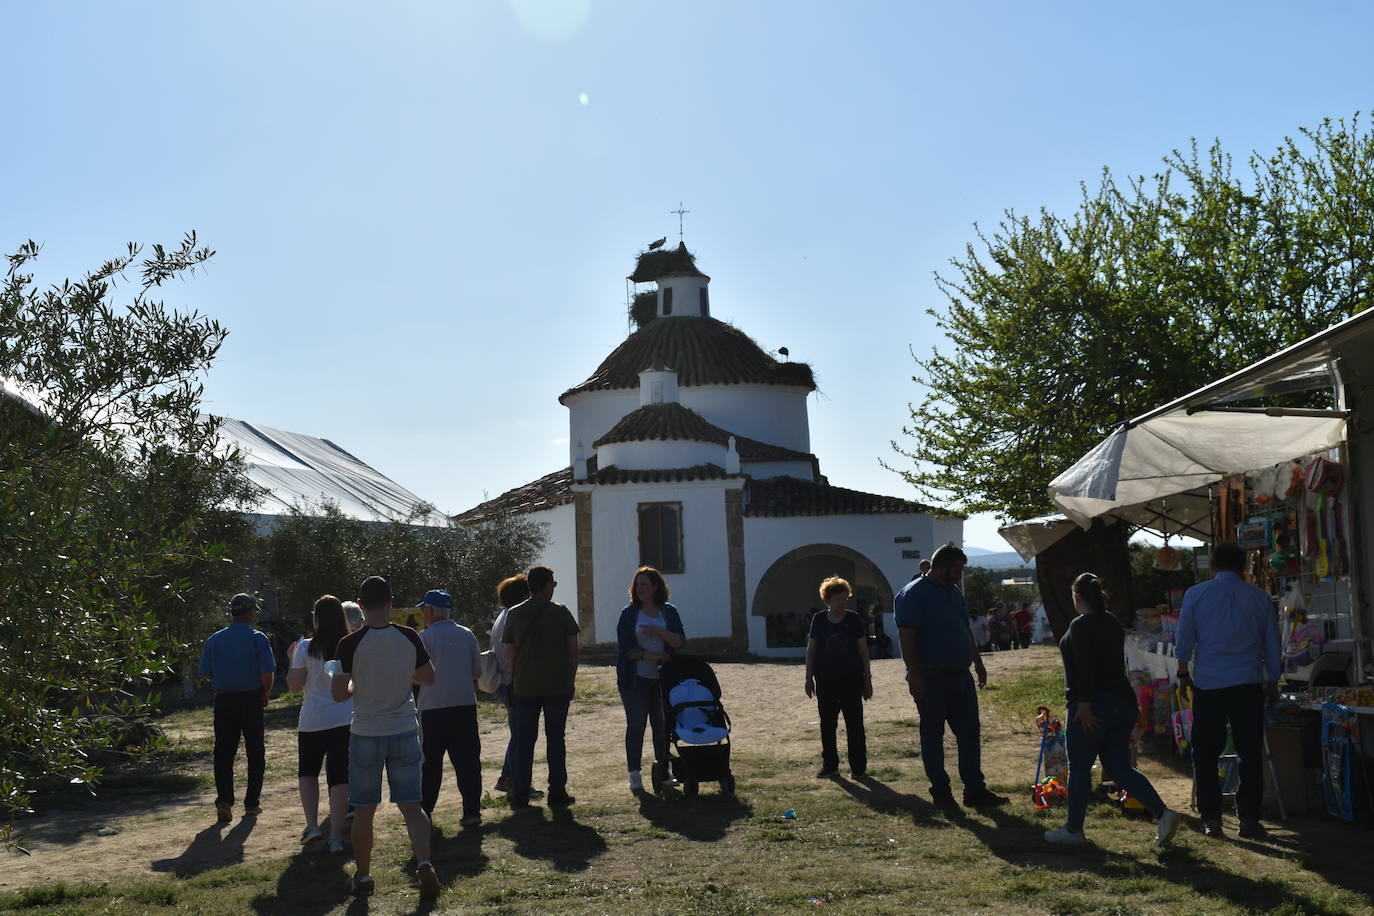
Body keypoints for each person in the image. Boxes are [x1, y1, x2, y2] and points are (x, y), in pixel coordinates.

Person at [1045, 574, 1180, 847]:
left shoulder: (1081, 625)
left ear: (1078, 598)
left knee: (1080, 766)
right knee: (1119, 767)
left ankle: (1073, 830)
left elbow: (1084, 667)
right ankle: (1162, 813)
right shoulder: (1113, 622)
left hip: (1094, 704)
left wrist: (1083, 705)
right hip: (1123, 703)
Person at [331, 576, 440, 899]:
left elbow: (338, 693)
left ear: (361, 606)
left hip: (366, 732)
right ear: (390, 604)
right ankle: (424, 862)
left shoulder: (347, 644)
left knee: (364, 810)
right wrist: (402, 673)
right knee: (412, 806)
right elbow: (428, 678)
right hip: (404, 728)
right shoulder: (409, 636)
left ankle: (363, 876)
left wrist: (356, 684)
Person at [1176, 542, 1281, 840]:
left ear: (1213, 565)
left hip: (1209, 684)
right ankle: (1249, 818)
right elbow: (1271, 643)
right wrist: (1273, 679)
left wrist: (1183, 673)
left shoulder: (1196, 594)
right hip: (1248, 683)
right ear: (1244, 566)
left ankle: (1211, 817)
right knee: (1249, 752)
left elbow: (1184, 639)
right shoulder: (1259, 597)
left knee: (1206, 752)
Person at [894, 545, 1008, 813]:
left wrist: (978, 662)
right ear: (942, 567)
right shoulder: (912, 595)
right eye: (956, 570)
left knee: (970, 733)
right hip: (931, 676)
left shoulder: (954, 593)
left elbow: (964, 628)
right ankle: (941, 792)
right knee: (933, 735)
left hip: (960, 676)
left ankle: (975, 790)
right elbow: (906, 637)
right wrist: (914, 674)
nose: (959, 576)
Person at [502, 565, 580, 809]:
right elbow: (574, 651)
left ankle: (521, 792)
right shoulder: (561, 612)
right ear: (546, 585)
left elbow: (510, 654)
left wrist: (518, 678)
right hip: (557, 685)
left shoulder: (513, 614)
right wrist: (570, 679)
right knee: (556, 739)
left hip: (525, 687)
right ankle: (557, 790)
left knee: (524, 741)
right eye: (553, 584)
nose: (554, 588)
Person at [198, 593, 277, 823]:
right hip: (251, 700)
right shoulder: (257, 638)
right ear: (251, 612)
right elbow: (266, 673)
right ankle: (252, 803)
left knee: (223, 752)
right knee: (255, 751)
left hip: (224, 701)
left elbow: (204, 672)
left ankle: (224, 801)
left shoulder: (215, 639)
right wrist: (265, 692)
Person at [286, 595, 354, 852]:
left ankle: (312, 826)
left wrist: (291, 659)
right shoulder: (348, 646)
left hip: (312, 720)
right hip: (344, 719)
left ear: (316, 618)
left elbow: (293, 686)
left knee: (308, 773)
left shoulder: (304, 648)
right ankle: (336, 837)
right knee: (339, 779)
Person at [416, 588, 483, 828]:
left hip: (433, 707)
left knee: (430, 762)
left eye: (424, 609)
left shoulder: (424, 637)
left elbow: (416, 675)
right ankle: (472, 811)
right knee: (467, 761)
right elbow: (477, 671)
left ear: (432, 611)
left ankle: (425, 811)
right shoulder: (467, 634)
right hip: (464, 704)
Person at [616, 566, 686, 792]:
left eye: (644, 584)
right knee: (636, 725)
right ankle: (634, 774)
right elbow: (626, 648)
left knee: (662, 726)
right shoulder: (628, 614)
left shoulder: (669, 611)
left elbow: (680, 642)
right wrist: (653, 655)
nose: (640, 589)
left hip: (664, 679)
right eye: (637, 585)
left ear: (656, 586)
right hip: (635, 679)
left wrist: (659, 633)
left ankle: (663, 770)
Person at [804, 576, 871, 778]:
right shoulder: (819, 620)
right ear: (828, 600)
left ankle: (858, 768)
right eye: (838, 599)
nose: (842, 603)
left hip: (852, 680)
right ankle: (830, 765)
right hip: (825, 680)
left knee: (855, 725)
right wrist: (808, 678)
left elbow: (863, 651)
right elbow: (811, 651)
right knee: (827, 724)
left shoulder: (853, 619)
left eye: (845, 599)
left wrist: (867, 678)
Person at [489, 575, 533, 797]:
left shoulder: (503, 617)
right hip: (513, 682)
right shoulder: (512, 618)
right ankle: (512, 779)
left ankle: (509, 777)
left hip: (506, 681)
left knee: (518, 733)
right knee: (520, 734)